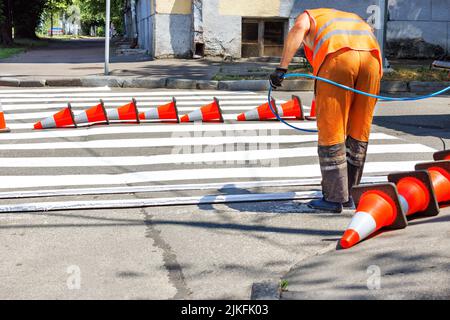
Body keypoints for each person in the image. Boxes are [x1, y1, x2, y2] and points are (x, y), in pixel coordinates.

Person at [269, 8, 382, 213]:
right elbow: (371, 31)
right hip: (372, 61)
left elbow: (298, 28)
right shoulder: (351, 16)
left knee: (332, 126)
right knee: (359, 128)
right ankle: (349, 193)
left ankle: (334, 198)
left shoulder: (307, 16)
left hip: (338, 58)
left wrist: (282, 68)